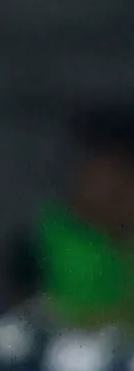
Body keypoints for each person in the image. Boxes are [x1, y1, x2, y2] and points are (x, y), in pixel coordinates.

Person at [16, 106, 134, 334]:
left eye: (121, 176)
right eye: (100, 173)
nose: (110, 189)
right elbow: (22, 313)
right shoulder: (46, 234)